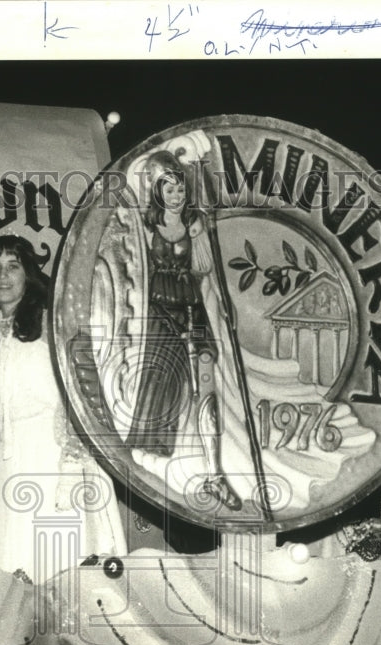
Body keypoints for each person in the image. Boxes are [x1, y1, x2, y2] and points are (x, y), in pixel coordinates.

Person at [0, 234, 127, 583]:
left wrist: (73, 463)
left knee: (58, 563)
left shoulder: (52, 323)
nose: (3, 275)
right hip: (9, 462)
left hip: (53, 457)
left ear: (28, 274)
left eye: (13, 266)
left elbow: (83, 394)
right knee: (15, 564)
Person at [125, 149, 241, 511]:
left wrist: (200, 233)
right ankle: (152, 467)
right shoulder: (144, 227)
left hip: (192, 311)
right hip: (160, 313)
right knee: (161, 383)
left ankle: (216, 473)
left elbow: (206, 269)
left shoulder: (195, 224)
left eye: (179, 189)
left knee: (205, 390)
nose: (175, 196)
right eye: (167, 189)